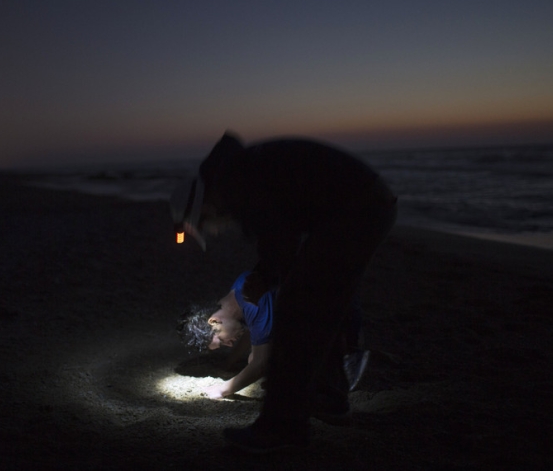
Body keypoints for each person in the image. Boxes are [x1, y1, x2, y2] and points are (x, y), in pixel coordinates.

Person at [170, 132, 397, 453]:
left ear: (206, 203)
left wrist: (267, 276)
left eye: (207, 223)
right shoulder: (242, 172)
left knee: (298, 309)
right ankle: (327, 399)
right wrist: (267, 273)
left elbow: (280, 233)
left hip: (357, 209)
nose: (216, 229)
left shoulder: (239, 181)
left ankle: (282, 426)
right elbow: (281, 225)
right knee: (314, 303)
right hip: (362, 205)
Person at [178, 272, 371, 401]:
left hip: (335, 305)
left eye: (220, 340)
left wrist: (224, 389)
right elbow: (253, 332)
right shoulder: (239, 291)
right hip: (325, 292)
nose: (228, 344)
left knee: (271, 362)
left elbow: (261, 363)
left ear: (214, 321)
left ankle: (350, 352)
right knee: (260, 352)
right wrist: (230, 362)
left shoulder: (252, 303)